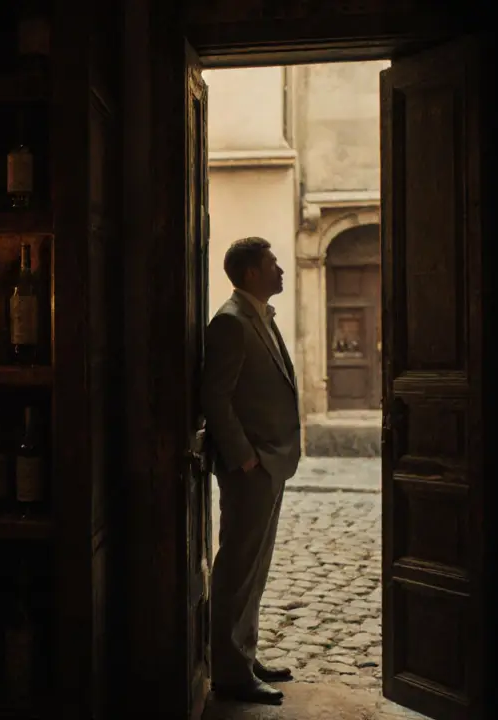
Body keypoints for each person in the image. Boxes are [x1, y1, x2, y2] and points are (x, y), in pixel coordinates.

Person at [201, 236, 301, 705]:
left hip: (272, 461)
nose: (281, 270)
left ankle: (245, 653)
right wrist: (245, 458)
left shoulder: (259, 314)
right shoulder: (230, 322)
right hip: (252, 467)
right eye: (273, 263)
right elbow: (216, 397)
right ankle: (231, 674)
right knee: (237, 568)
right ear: (251, 274)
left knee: (256, 567)